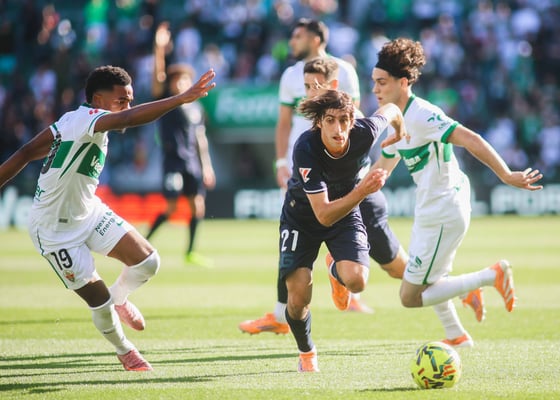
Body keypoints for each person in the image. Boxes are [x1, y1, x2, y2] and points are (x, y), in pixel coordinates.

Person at [0, 65, 216, 371]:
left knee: (148, 262)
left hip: (88, 212)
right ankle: (125, 350)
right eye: (121, 101)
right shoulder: (89, 119)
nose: (126, 107)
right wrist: (180, 99)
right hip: (53, 230)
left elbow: (25, 153)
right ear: (98, 100)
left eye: (130, 100)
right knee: (98, 301)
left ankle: (120, 297)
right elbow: (127, 119)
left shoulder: (72, 120)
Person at [371, 38, 544, 347]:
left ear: (403, 82)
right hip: (433, 206)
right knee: (432, 278)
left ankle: (490, 276)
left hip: (443, 209)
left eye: (382, 82)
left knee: (410, 296)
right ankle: (457, 335)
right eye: (374, 82)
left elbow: (471, 138)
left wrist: (505, 174)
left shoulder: (422, 114)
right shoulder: (395, 118)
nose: (375, 89)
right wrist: (349, 193)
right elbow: (381, 169)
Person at [239, 56, 412, 337]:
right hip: (320, 196)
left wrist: (399, 130)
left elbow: (390, 111)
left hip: (358, 196)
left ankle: (446, 286)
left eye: (315, 86)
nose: (309, 92)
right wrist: (282, 165)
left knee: (394, 268)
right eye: (306, 86)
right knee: (295, 256)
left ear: (332, 86)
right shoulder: (309, 132)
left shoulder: (354, 123)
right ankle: (283, 315)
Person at [278, 89, 407, 372]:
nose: (338, 129)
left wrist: (399, 132)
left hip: (345, 211)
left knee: (357, 282)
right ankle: (307, 352)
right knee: (298, 298)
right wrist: (362, 190)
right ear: (319, 123)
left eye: (344, 120)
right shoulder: (306, 148)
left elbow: (393, 110)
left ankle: (336, 270)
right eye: (331, 121)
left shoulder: (366, 131)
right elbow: (323, 215)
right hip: (302, 218)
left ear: (352, 121)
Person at [146, 22, 216, 268]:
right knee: (171, 208)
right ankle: (143, 243)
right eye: (175, 79)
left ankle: (190, 252)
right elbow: (157, 80)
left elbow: (201, 139)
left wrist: (207, 166)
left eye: (184, 79)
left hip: (192, 163)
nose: (179, 83)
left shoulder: (196, 108)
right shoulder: (167, 101)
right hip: (173, 162)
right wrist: (159, 49)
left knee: (198, 206)